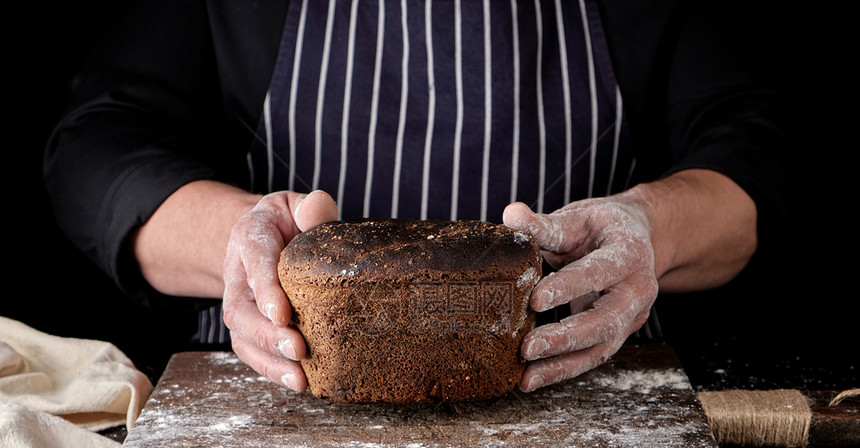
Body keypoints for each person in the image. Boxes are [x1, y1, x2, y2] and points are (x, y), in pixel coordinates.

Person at [43, 0, 791, 394]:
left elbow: (759, 155)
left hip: (581, 405)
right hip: (284, 408)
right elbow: (97, 147)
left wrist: (651, 225)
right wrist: (235, 238)